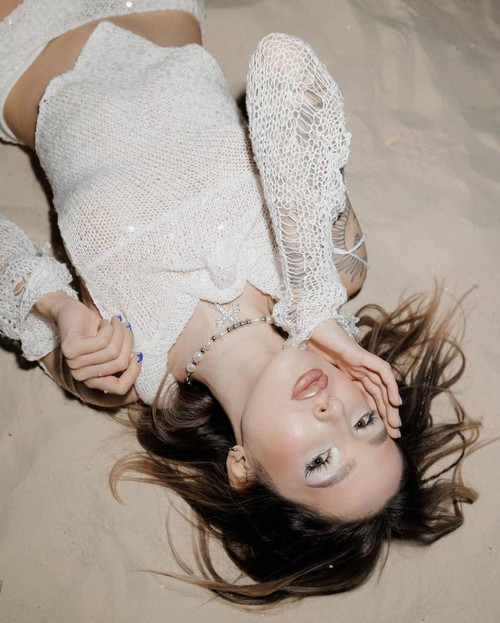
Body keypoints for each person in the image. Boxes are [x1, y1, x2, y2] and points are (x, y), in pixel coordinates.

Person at [0, 0, 480, 606]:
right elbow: (282, 66)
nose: (334, 412)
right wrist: (312, 301)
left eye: (321, 461)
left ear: (243, 469)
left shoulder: (121, 372)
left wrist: (56, 309)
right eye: (366, 425)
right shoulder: (334, 270)